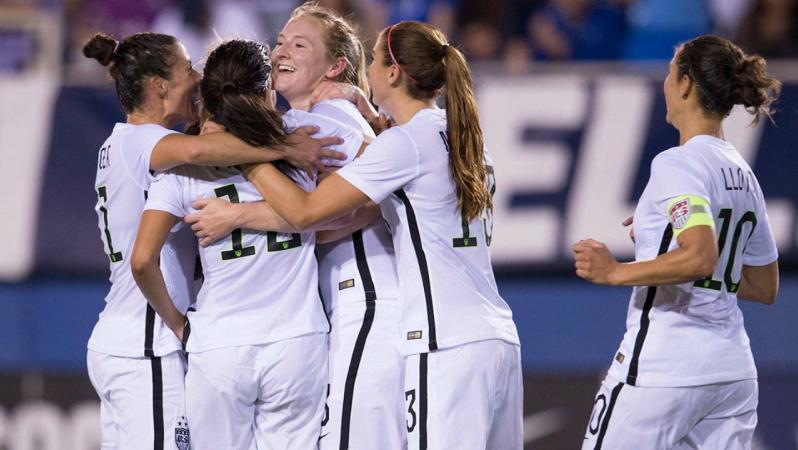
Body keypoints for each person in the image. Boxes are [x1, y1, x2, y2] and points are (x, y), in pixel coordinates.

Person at [234, 21, 523, 450]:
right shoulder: (465, 136)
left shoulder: (402, 146)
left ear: (392, 73)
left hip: (442, 342)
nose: (364, 72)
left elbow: (304, 211)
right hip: (497, 336)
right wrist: (367, 112)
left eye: (372, 61)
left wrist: (247, 157)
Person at [83, 31, 339, 450]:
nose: (197, 77)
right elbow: (204, 152)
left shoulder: (126, 147)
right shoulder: (156, 147)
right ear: (159, 86)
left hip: (126, 335)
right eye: (187, 68)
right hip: (147, 341)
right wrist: (286, 145)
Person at [185, 5, 407, 449]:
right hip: (345, 306)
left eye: (300, 45)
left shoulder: (325, 123)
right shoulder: (302, 125)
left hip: (364, 298)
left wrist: (236, 215)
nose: (281, 51)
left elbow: (328, 213)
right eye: (281, 41)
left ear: (335, 66)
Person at [573, 35, 781, 449]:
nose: (666, 83)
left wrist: (616, 271)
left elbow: (700, 256)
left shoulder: (677, 162)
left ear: (685, 84)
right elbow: (764, 285)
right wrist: (658, 237)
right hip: (731, 374)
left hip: (664, 369)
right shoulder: (742, 172)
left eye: (670, 73)